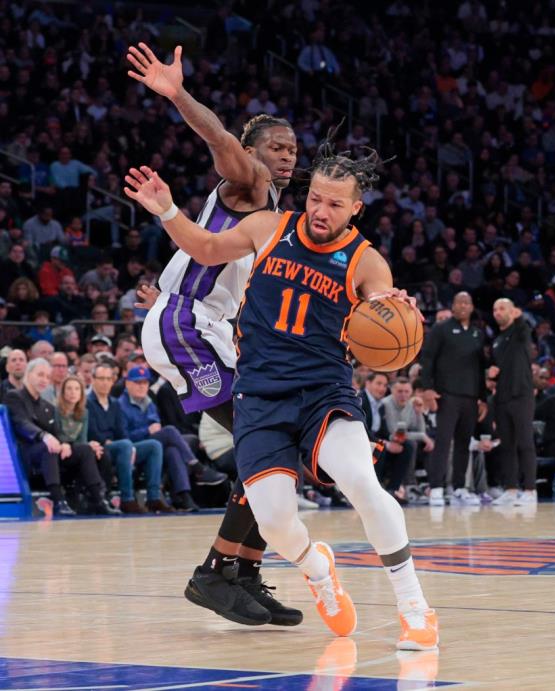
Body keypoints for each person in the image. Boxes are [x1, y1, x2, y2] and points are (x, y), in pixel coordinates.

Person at [124, 136, 438, 650]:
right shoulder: (270, 227)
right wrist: (165, 209)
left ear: (355, 208)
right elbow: (204, 248)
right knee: (274, 520)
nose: (320, 209)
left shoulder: (364, 260)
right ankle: (319, 571)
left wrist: (394, 306)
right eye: (315, 197)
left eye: (335, 203)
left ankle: (415, 608)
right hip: (260, 395)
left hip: (323, 392)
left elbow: (383, 300)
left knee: (360, 480)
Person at [126, 41, 301, 626]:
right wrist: (178, 95)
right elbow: (221, 142)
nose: (286, 155)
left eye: (293, 147)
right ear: (253, 151)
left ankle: (241, 571)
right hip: (187, 326)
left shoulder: (273, 214)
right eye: (276, 145)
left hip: (203, 326)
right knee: (268, 442)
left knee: (281, 450)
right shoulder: (247, 179)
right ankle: (214, 573)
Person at [5, 359, 112, 517]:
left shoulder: (46, 406)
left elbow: (57, 432)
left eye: (47, 377)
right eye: (40, 375)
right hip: (25, 453)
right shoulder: (14, 396)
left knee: (84, 449)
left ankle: (97, 499)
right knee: (49, 447)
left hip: (49, 451)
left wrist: (66, 444)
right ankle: (58, 501)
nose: (44, 380)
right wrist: (44, 436)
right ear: (28, 374)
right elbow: (21, 423)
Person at [118, 366, 227, 511]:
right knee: (170, 431)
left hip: (153, 445)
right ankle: (197, 467)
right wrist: (146, 430)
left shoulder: (149, 401)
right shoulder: (120, 405)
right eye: (137, 383)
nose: (142, 386)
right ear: (127, 384)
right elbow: (122, 436)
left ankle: (184, 497)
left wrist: (152, 430)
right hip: (132, 447)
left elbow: (155, 422)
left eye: (145, 383)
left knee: (173, 451)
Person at [420, 292, 487, 507]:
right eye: (459, 302)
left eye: (467, 302)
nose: (463, 306)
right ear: (453, 306)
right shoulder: (441, 329)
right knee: (443, 441)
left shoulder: (477, 334)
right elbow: (427, 359)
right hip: (446, 394)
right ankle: (437, 488)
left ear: (472, 306)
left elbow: (481, 369)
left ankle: (459, 488)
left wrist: (482, 398)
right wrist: (427, 389)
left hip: (470, 397)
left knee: (463, 443)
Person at [87, 362, 170, 514]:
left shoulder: (114, 403)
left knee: (154, 445)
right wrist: (111, 442)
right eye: (101, 378)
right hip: (99, 447)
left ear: (113, 381)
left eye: (108, 378)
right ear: (93, 380)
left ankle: (153, 498)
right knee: (125, 445)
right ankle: (127, 499)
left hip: (120, 446)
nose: (105, 382)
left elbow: (122, 432)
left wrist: (130, 446)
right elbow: (90, 431)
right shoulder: (87, 402)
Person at [488, 299, 537, 506]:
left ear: (513, 311)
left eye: (501, 308)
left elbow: (527, 327)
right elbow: (499, 367)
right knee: (507, 445)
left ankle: (530, 490)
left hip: (521, 395)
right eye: (495, 309)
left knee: (525, 443)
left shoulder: (521, 331)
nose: (497, 312)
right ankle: (510, 489)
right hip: (502, 398)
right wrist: (491, 373)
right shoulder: (497, 340)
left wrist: (521, 317)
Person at [55, 375, 120, 515]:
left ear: (81, 393)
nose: (73, 392)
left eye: (77, 389)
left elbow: (82, 439)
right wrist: (80, 444)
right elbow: (57, 434)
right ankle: (98, 499)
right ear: (63, 392)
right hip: (62, 452)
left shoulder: (84, 413)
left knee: (101, 452)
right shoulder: (56, 410)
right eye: (69, 389)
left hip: (78, 451)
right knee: (87, 449)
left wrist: (91, 445)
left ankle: (102, 495)